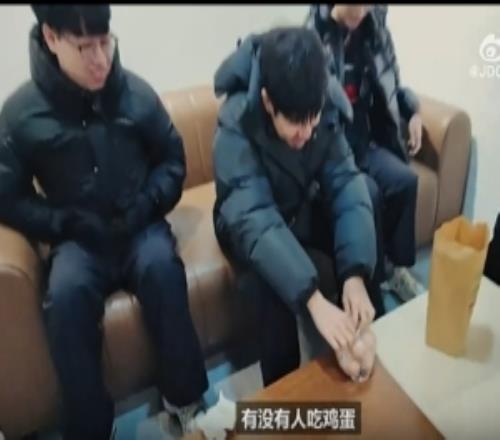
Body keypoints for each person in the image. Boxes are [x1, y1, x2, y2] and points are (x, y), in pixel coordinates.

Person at [0, 5, 207, 438]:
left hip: (139, 224)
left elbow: (172, 160)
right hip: (77, 238)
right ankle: (94, 428)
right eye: (84, 47)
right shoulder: (21, 114)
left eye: (105, 43)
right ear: (51, 38)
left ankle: (185, 401)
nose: (100, 59)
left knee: (162, 269)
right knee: (66, 297)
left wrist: (147, 203)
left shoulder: (135, 94)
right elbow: (8, 197)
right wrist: (63, 222)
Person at [212, 26, 385, 387]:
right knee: (266, 284)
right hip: (247, 223)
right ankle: (286, 388)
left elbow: (346, 183)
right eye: (294, 122)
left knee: (367, 193)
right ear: (267, 102)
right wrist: (314, 300)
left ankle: (366, 331)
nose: (306, 133)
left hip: (297, 205)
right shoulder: (235, 121)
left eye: (313, 119)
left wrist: (354, 275)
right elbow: (255, 220)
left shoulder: (321, 100)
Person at [307, 4, 425, 301]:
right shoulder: (312, 37)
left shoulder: (376, 31)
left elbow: (392, 83)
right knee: (367, 195)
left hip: (365, 140)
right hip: (333, 152)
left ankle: (396, 268)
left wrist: (413, 111)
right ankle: (375, 278)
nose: (360, 12)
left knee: (405, 181)